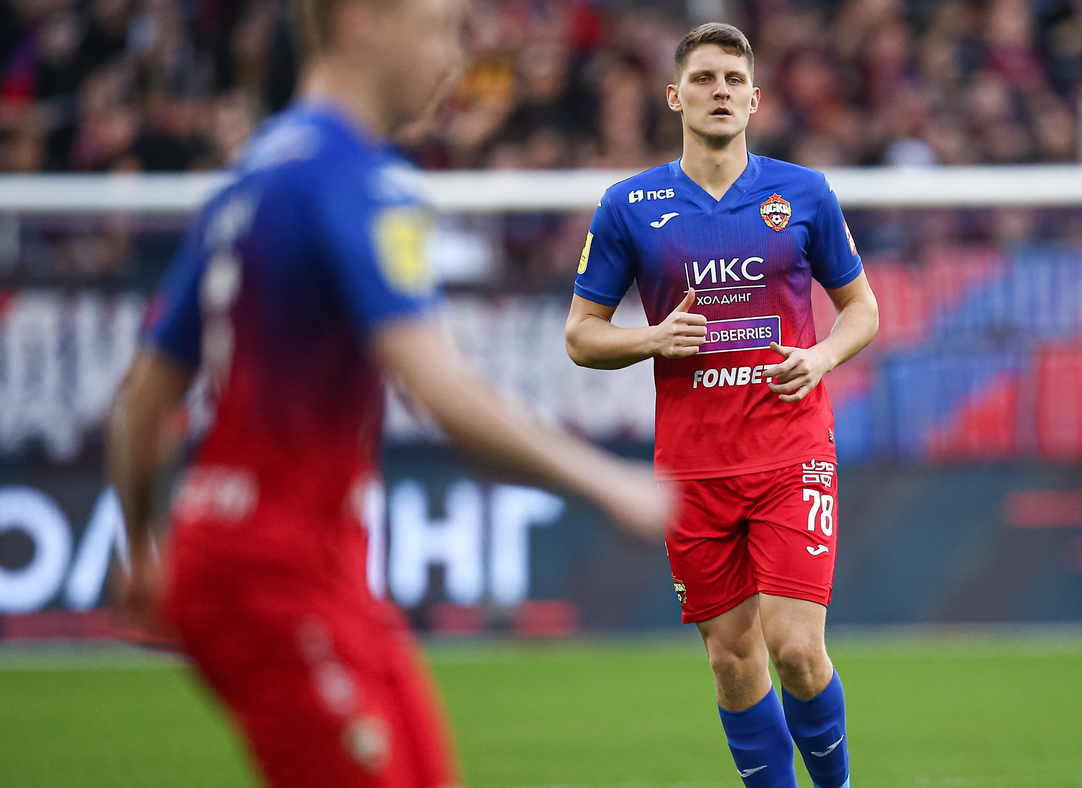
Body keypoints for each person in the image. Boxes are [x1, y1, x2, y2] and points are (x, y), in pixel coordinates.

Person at [104, 0, 666, 784]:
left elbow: (142, 397)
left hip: (306, 566)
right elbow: (439, 389)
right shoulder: (357, 183)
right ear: (361, 20)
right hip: (270, 571)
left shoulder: (255, 175)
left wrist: (141, 550)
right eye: (438, 28)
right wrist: (609, 483)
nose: (452, 58)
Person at [564, 22, 879, 788]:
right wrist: (653, 338)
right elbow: (580, 336)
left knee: (795, 649)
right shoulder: (629, 205)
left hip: (791, 451)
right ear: (675, 96)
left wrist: (820, 356)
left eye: (734, 80)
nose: (720, 92)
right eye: (704, 79)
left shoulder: (802, 193)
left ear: (755, 99)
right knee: (734, 662)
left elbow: (862, 309)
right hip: (693, 469)